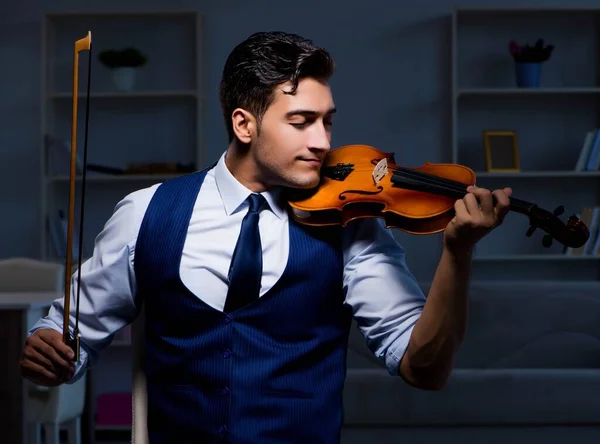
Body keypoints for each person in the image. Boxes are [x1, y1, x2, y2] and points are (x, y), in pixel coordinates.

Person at [20, 31, 511, 443]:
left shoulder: (351, 226)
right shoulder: (145, 213)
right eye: (301, 122)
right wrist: (49, 346)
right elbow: (70, 333)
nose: (322, 141)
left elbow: (423, 369)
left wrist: (457, 252)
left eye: (327, 121)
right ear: (244, 124)